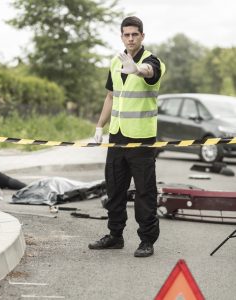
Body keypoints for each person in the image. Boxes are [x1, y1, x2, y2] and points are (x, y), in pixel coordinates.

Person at [88, 16, 166, 257]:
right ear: (121, 36)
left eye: (135, 34)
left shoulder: (152, 61)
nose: (130, 38)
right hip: (117, 136)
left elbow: (149, 71)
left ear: (142, 35)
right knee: (114, 188)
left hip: (142, 139)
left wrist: (137, 69)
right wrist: (99, 126)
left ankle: (147, 240)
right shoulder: (115, 62)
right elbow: (111, 97)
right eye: (126, 34)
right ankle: (115, 235)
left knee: (144, 191)